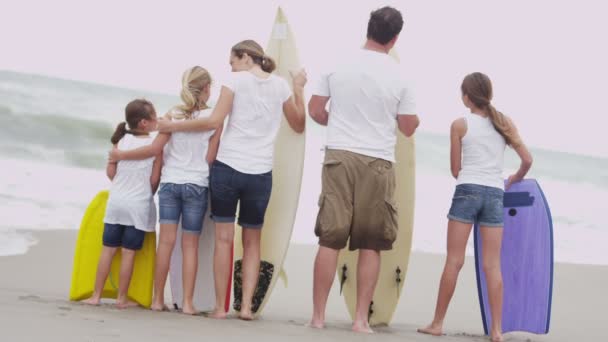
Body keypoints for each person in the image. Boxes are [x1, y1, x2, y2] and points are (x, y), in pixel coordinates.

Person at [156, 40, 306, 320]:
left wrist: (172, 126)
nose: (231, 67)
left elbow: (214, 122)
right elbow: (299, 124)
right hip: (260, 174)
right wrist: (298, 88)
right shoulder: (281, 87)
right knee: (252, 241)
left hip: (228, 169)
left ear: (246, 57)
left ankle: (220, 308)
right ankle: (246, 307)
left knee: (224, 240)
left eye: (233, 61)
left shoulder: (235, 81)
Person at [307, 6, 420, 333]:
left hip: (339, 156)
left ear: (367, 29)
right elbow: (408, 128)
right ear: (395, 38)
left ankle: (318, 318)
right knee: (371, 242)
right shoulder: (401, 75)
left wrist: (338, 123)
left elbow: (316, 110)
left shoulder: (335, 62)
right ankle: (360, 321)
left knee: (330, 238)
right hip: (378, 161)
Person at [417, 72, 533, 342]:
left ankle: (437, 323)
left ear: (466, 96)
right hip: (494, 193)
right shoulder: (504, 123)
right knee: (493, 265)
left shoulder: (459, 124)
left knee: (454, 261)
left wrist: (471, 177)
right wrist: (513, 179)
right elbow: (527, 159)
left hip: (467, 191)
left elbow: (456, 170)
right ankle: (496, 330)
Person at [109, 66, 221, 314]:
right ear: (205, 89)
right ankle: (188, 304)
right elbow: (211, 157)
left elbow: (156, 149)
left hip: (170, 184)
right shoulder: (214, 118)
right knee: (189, 246)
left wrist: (120, 155)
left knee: (166, 243)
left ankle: (158, 300)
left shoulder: (171, 115)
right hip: (196, 184)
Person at [84, 99, 161, 308]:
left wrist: (121, 185)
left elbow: (111, 173)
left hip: (116, 202)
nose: (157, 119)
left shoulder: (120, 142)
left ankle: (96, 296)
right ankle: (121, 299)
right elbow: (154, 180)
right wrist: (146, 192)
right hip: (137, 206)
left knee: (107, 249)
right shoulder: (154, 147)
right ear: (144, 123)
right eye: (154, 116)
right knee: (128, 253)